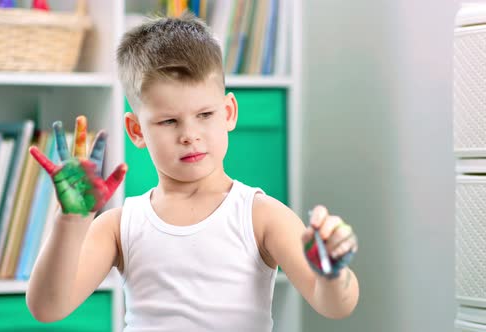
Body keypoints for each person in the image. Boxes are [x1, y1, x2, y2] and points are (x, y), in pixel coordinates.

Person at [26, 12, 359, 331]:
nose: (189, 134)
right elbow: (48, 308)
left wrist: (332, 274)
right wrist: (70, 221)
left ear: (228, 112)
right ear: (136, 130)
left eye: (205, 114)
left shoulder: (261, 215)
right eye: (169, 121)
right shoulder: (119, 224)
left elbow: (335, 306)